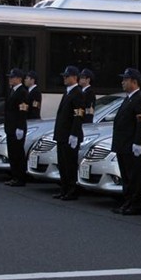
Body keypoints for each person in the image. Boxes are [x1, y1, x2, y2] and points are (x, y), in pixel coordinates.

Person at [111, 68, 141, 215]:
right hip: (123, 144)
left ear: (134, 82)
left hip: (132, 144)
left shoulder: (140, 99)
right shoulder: (129, 98)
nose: (123, 82)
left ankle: (136, 204)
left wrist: (138, 142)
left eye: (125, 80)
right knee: (126, 176)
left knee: (135, 177)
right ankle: (127, 202)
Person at [52, 66, 84, 200]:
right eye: (64, 76)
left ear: (74, 77)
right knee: (62, 164)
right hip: (62, 134)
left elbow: (78, 115)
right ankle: (64, 188)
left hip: (70, 135)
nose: (64, 78)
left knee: (70, 164)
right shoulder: (68, 92)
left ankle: (71, 190)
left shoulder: (77, 93)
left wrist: (74, 134)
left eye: (67, 76)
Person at [4, 68, 28, 186]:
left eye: (12, 77)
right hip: (10, 126)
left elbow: (22, 110)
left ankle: (20, 177)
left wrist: (20, 127)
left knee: (18, 153)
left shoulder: (22, 91)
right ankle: (14, 176)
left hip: (17, 126)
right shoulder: (12, 91)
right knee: (12, 153)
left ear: (19, 79)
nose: (10, 79)